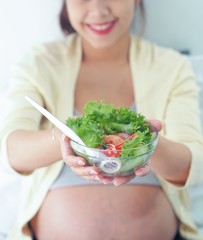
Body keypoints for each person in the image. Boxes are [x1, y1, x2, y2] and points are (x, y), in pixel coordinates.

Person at [0, 0, 203, 239]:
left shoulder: (172, 67)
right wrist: (65, 138)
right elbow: (10, 152)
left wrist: (146, 145)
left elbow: (192, 166)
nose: (98, 11)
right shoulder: (38, 63)